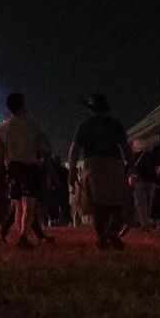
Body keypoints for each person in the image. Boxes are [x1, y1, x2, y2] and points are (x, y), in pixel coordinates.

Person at [68, 93, 132, 248]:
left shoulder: (85, 126)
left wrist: (72, 171)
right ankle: (111, 232)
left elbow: (74, 150)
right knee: (118, 202)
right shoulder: (115, 125)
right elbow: (125, 147)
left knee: (99, 205)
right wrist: (131, 165)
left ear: (91, 109)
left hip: (93, 165)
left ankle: (103, 237)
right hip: (114, 164)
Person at [0, 92, 51, 249]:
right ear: (23, 105)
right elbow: (42, 148)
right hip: (30, 167)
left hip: (13, 168)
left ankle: (21, 236)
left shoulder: (3, 127)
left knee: (18, 205)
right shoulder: (33, 125)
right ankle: (23, 236)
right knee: (28, 203)